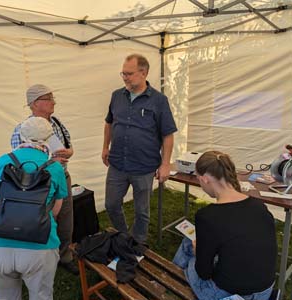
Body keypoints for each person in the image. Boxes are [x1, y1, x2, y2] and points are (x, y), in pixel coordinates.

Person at [0, 117, 68, 300]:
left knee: (5, 295)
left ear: (21, 136)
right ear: (49, 139)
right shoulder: (55, 168)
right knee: (41, 296)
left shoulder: (2, 161)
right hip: (39, 246)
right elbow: (56, 210)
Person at [173, 151, 277, 300]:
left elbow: (204, 273)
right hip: (265, 291)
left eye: (198, 180)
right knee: (195, 241)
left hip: (228, 294)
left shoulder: (207, 216)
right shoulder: (259, 205)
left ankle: (168, 279)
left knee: (188, 244)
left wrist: (198, 253)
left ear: (205, 179)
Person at [102, 54, 177, 243]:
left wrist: (165, 164)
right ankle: (123, 236)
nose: (125, 77)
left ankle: (139, 242)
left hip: (144, 166)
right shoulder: (117, 96)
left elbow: (167, 134)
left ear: (143, 73)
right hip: (117, 163)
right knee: (111, 204)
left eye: (129, 73)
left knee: (141, 211)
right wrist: (105, 147)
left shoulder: (159, 100)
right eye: (123, 73)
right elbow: (109, 123)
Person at [10, 84, 78, 275]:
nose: (53, 101)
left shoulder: (56, 123)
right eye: (48, 98)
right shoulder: (21, 130)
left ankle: (65, 256)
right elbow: (22, 164)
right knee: (41, 221)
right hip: (39, 183)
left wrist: (69, 152)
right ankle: (40, 261)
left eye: (52, 97)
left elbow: (69, 147)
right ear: (34, 104)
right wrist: (50, 162)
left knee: (66, 219)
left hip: (62, 177)